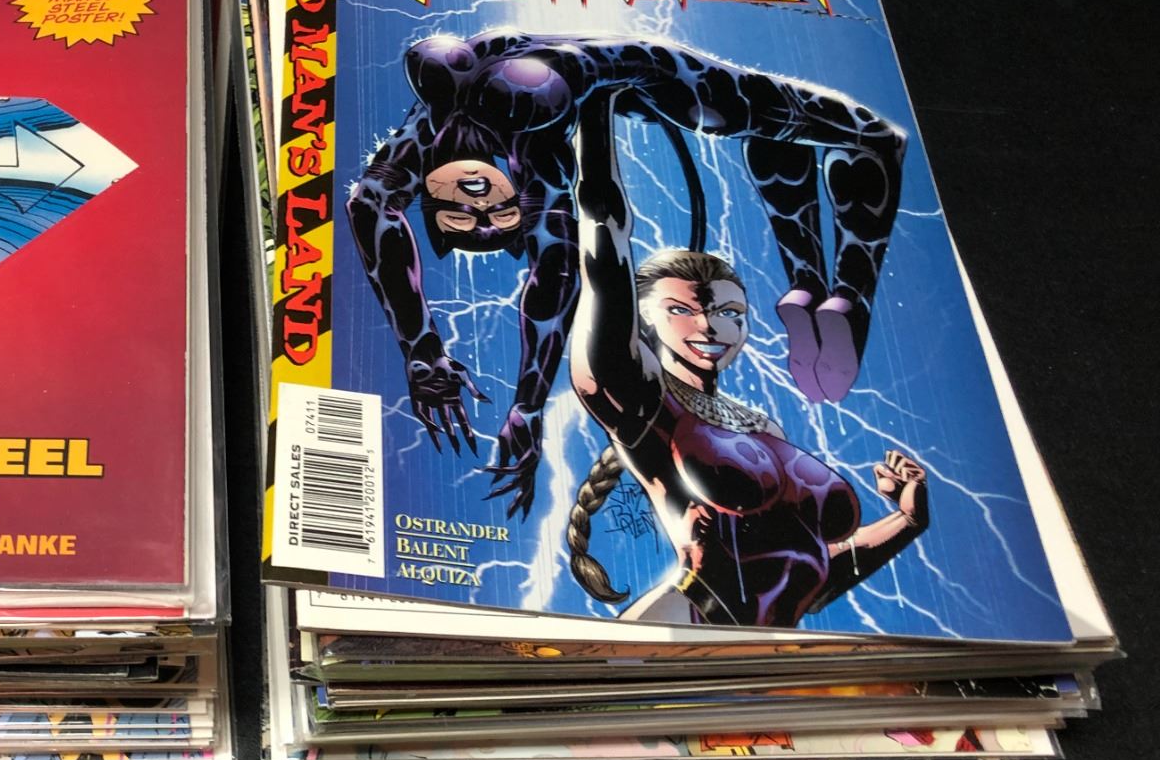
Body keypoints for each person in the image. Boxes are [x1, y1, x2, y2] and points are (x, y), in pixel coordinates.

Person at [346, 31, 907, 518]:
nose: (482, 209)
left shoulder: (436, 127)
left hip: (653, 78)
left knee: (853, 136)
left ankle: (828, 292)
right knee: (831, 135)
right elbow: (554, 277)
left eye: (471, 215)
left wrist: (426, 353)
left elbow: (372, 206)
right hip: (653, 84)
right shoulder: (483, 134)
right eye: (493, 218)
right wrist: (510, 398)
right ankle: (833, 293)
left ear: (431, 206)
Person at [565, 89, 928, 628]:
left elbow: (804, 573)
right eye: (681, 310)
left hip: (759, 648)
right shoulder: (640, 401)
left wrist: (907, 521)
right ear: (641, 322)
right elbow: (603, 236)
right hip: (688, 627)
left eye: (729, 312)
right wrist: (595, 110)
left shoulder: (759, 425)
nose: (709, 326)